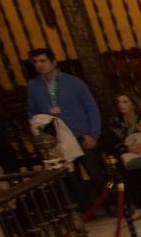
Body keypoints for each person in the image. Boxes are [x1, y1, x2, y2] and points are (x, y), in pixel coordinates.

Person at [25, 46, 103, 210]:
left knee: (95, 172)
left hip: (80, 134)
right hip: (57, 139)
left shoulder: (73, 82)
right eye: (36, 62)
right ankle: (87, 210)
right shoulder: (34, 86)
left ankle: (110, 204)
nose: (39, 65)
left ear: (53, 61)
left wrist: (93, 133)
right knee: (72, 176)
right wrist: (47, 112)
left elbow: (91, 107)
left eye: (43, 61)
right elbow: (32, 113)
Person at [108, 92, 141, 215]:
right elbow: (113, 143)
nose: (121, 105)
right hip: (127, 154)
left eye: (125, 102)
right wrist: (128, 149)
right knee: (125, 173)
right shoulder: (115, 122)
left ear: (133, 104)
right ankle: (140, 205)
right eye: (119, 102)